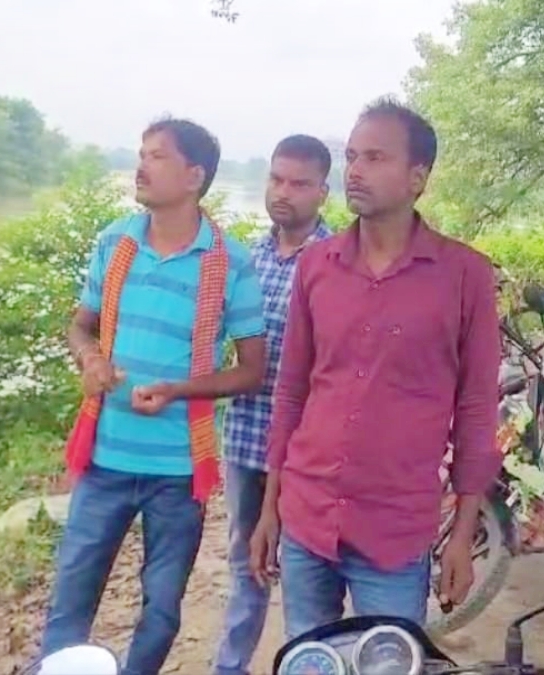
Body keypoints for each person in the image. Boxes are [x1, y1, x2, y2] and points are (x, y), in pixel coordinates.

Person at [248, 97, 502, 639]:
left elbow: (477, 408)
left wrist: (462, 531)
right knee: (307, 659)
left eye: (376, 158)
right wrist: (270, 508)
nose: (356, 171)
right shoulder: (317, 266)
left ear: (418, 177)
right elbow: (291, 391)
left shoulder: (465, 275)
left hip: (394, 530)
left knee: (388, 657)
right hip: (307, 517)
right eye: (353, 157)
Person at [45, 117, 266, 675]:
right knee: (70, 602)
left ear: (194, 176)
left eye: (158, 156)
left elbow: (252, 371)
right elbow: (79, 328)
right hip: (104, 460)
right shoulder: (114, 243)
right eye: (141, 153)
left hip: (176, 470)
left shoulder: (230, 263)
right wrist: (91, 359)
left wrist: (178, 390)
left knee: (162, 610)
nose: (141, 167)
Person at [214, 135, 332, 675]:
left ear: (323, 193)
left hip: (313, 452)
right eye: (277, 179)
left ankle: (309, 662)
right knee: (247, 564)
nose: (284, 193)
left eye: (299, 183)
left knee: (312, 569)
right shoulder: (243, 259)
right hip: (244, 439)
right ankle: (231, 667)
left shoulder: (338, 262)